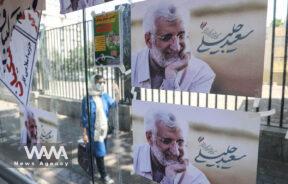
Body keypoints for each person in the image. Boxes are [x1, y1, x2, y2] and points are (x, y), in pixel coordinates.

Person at [132, 2, 215, 93]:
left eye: (181, 36)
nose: (177, 47)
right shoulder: (131, 65)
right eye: (166, 37)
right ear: (148, 40)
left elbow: (181, 108)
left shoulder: (200, 73)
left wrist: (170, 78)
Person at [133, 111, 210, 184]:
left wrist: (169, 178)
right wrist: (168, 180)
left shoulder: (197, 179)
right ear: (150, 137)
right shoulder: (133, 156)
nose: (176, 152)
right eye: (167, 141)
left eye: (180, 142)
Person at [81, 75, 115, 184]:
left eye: (103, 82)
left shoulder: (104, 96)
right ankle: (101, 175)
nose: (102, 85)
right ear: (93, 83)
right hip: (92, 132)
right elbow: (84, 118)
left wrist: (118, 92)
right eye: (99, 83)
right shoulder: (86, 99)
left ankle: (97, 173)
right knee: (96, 153)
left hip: (103, 131)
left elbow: (115, 104)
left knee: (98, 152)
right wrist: (84, 134)